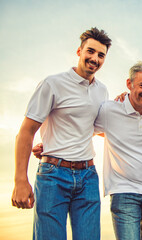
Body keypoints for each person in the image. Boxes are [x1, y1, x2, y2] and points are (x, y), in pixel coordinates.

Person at [11, 27, 112, 240]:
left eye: (101, 55)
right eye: (90, 51)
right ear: (79, 51)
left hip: (88, 177)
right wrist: (20, 180)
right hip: (53, 176)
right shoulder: (52, 84)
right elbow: (26, 132)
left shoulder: (102, 91)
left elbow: (92, 128)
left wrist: (124, 106)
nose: (95, 58)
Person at [93, 62, 142, 240]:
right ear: (129, 84)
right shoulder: (109, 110)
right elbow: (83, 129)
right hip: (124, 192)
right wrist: (49, 145)